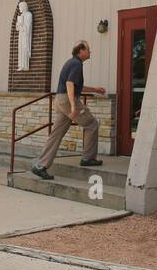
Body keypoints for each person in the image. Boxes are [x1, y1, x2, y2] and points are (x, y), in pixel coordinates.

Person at [32, 40, 105, 179]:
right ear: (81, 51)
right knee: (91, 124)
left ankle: (40, 165)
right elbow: (70, 84)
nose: (90, 52)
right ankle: (88, 158)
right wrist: (73, 105)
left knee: (56, 133)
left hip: (60, 99)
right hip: (67, 100)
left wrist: (95, 89)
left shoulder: (71, 62)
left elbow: (77, 85)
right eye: (88, 49)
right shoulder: (76, 64)